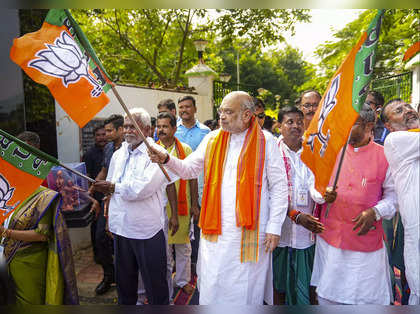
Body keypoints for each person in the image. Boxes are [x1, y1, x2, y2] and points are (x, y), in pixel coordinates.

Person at [148, 91, 288, 305]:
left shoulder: (266, 142)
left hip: (250, 233)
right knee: (214, 284)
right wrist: (167, 158)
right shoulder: (212, 139)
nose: (221, 116)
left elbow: (279, 187)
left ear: (247, 115)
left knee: (246, 290)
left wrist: (274, 227)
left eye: (228, 112)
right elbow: (188, 169)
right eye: (220, 111)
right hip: (216, 233)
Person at [311, 106, 397, 305]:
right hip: (331, 238)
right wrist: (323, 194)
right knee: (328, 294)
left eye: (351, 123)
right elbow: (313, 185)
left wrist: (375, 211)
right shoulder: (332, 151)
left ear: (369, 126)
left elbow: (393, 197)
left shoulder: (385, 155)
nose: (345, 127)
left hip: (365, 240)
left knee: (366, 298)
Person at [92, 108, 172, 305]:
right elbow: (111, 187)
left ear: (146, 129)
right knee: (125, 284)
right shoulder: (118, 154)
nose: (127, 131)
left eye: (132, 127)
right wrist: (109, 218)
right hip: (121, 229)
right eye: (126, 126)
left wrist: (113, 187)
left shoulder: (157, 154)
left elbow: (141, 190)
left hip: (146, 230)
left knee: (155, 286)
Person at [0, 131, 78, 305]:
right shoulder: (7, 188)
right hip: (5, 259)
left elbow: (42, 235)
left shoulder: (43, 192)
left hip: (30, 261)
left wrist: (6, 232)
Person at [273, 106, 324, 305]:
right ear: (279, 126)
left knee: (309, 283)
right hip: (280, 231)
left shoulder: (314, 150)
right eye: (289, 122)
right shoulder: (272, 152)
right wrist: (295, 215)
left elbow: (319, 184)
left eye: (299, 122)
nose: (295, 126)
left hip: (308, 231)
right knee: (279, 284)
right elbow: (268, 194)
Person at [381, 99, 420, 304]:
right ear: (388, 125)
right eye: (399, 110)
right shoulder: (395, 141)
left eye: (408, 106)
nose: (408, 111)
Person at [157, 112, 199, 295]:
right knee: (164, 249)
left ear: (175, 128)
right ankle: (165, 282)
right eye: (158, 126)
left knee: (183, 247)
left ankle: (182, 281)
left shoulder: (186, 150)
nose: (161, 130)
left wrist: (195, 205)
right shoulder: (151, 150)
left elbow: (193, 178)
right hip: (158, 207)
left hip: (182, 205)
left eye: (165, 126)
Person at [175, 95, 210, 276]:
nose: (184, 110)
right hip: (176, 187)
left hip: (200, 187)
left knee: (198, 223)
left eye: (187, 107)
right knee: (179, 223)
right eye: (181, 107)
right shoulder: (173, 130)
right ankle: (179, 264)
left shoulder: (206, 132)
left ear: (195, 109)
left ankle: (197, 261)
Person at [92, 114, 124, 295]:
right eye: (105, 131)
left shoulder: (130, 148)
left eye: (110, 131)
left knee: (121, 243)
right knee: (100, 239)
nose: (106, 135)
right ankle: (108, 276)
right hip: (107, 203)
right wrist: (92, 186)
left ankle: (125, 278)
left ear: (120, 130)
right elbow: (104, 171)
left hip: (123, 202)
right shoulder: (108, 148)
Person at [82, 125, 107, 263]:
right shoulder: (89, 154)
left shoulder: (113, 151)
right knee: (96, 228)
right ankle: (98, 257)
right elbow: (86, 177)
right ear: (94, 137)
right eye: (99, 135)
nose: (102, 137)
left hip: (110, 195)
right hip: (95, 197)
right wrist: (90, 197)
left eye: (104, 134)